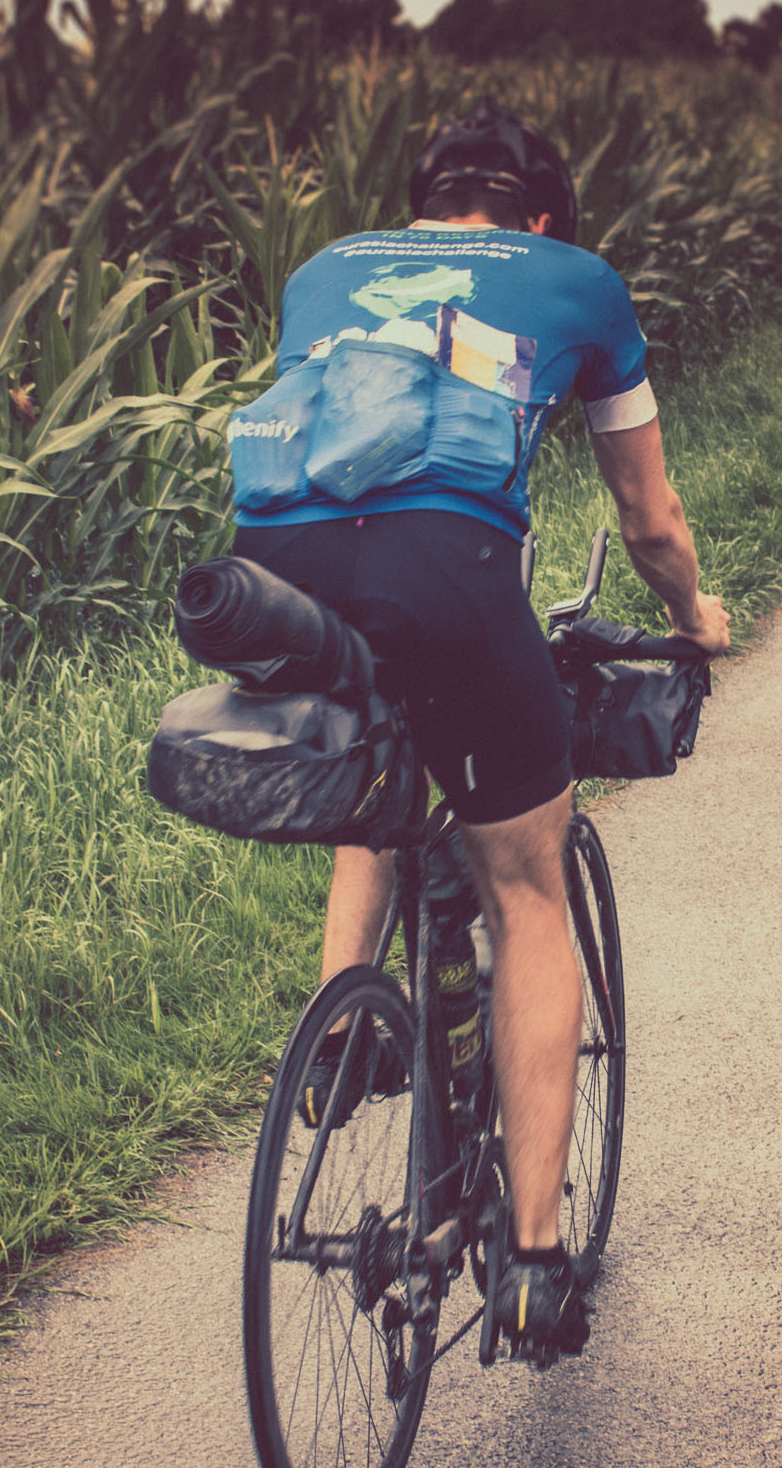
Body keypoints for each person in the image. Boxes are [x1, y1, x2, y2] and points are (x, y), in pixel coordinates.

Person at [228, 99, 728, 1360]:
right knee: (527, 886)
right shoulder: (578, 278)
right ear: (540, 213)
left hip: (273, 576)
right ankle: (534, 1265)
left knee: (382, 774)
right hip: (447, 572)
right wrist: (696, 616)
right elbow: (649, 520)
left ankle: (346, 1030)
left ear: (421, 207)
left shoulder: (327, 269)